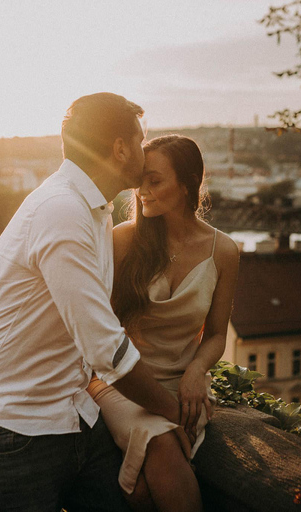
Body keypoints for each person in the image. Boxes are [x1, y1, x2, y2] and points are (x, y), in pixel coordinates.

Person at [0, 93, 191, 512]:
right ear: (120, 148)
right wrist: (175, 410)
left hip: (72, 414)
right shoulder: (62, 210)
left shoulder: (93, 211)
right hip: (9, 424)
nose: (144, 149)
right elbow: (104, 346)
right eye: (140, 139)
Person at [88, 135, 240, 511]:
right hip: (119, 382)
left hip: (182, 388)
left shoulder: (224, 251)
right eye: (141, 181)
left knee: (143, 491)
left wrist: (196, 371)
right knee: (160, 442)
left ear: (188, 183)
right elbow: (96, 328)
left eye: (155, 181)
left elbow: (218, 333)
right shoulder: (122, 240)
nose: (142, 191)